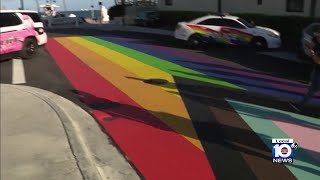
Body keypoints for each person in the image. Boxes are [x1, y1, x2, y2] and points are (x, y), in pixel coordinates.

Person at [291, 30, 320, 112]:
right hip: (317, 71)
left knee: (314, 88)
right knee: (312, 89)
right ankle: (300, 106)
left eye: (318, 37)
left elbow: (318, 61)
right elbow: (311, 45)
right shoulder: (317, 44)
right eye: (317, 37)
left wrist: (313, 54)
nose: (317, 38)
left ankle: (300, 106)